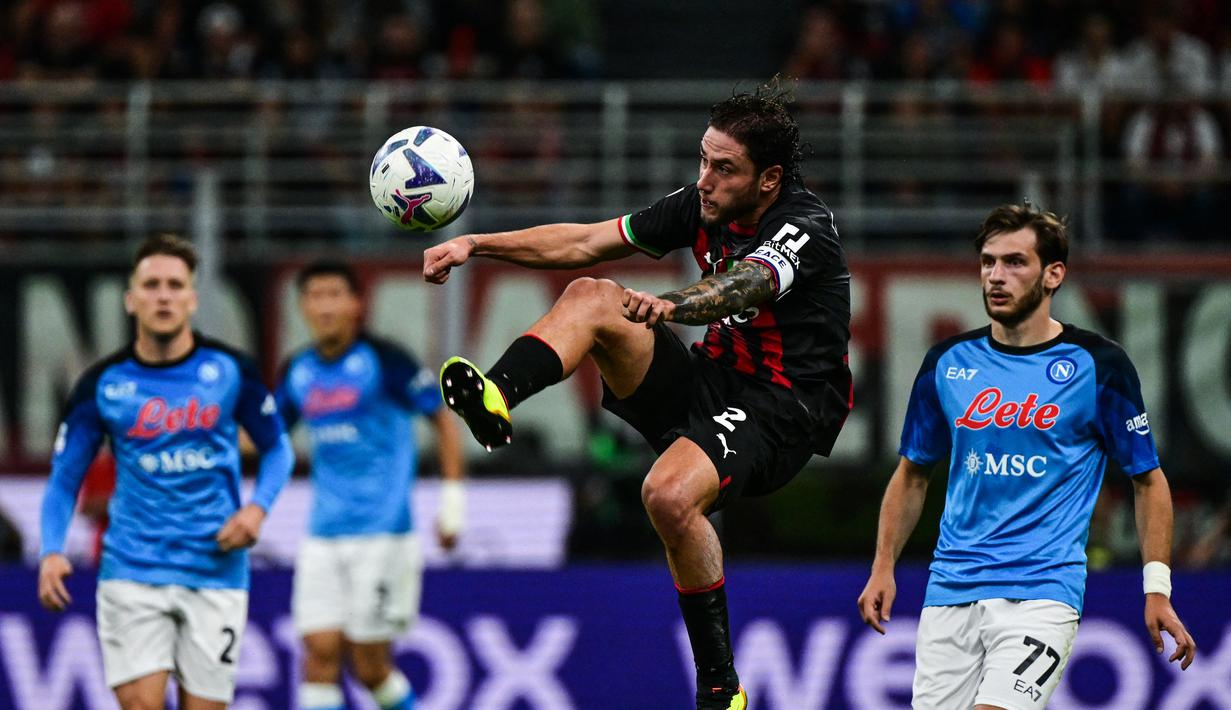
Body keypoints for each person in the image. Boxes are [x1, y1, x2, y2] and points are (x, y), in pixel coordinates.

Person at [423, 78, 852, 710]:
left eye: (724, 169)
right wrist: (477, 244)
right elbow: (584, 241)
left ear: (769, 180)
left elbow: (745, 286)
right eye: (703, 160)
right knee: (593, 296)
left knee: (667, 494)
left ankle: (720, 687)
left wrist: (671, 305)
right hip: (711, 379)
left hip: (782, 407)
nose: (704, 180)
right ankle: (498, 394)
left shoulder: (804, 226)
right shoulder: (701, 204)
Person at [856, 204, 1197, 709]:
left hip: (1041, 592)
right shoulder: (947, 363)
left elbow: (1148, 479)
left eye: (1015, 262)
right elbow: (912, 474)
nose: (996, 276)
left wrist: (1157, 588)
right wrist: (883, 565)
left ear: (1053, 274)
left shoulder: (1099, 366)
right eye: (988, 262)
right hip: (950, 588)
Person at [38, 233, 294, 710]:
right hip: (132, 570)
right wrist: (51, 550)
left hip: (215, 569)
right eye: (151, 285)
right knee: (140, 704)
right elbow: (64, 478)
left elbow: (278, 449)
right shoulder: (102, 384)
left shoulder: (230, 370)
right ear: (130, 299)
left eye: (175, 285)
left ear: (192, 298)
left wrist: (257, 510)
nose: (163, 296)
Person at [277, 261, 466, 710]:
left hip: (383, 534)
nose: (325, 307)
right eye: (316, 296)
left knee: (369, 667)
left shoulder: (386, 360)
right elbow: (265, 436)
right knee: (318, 654)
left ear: (356, 304)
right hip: (323, 534)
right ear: (302, 306)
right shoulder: (297, 370)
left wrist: (453, 506)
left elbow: (443, 420)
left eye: (335, 295)